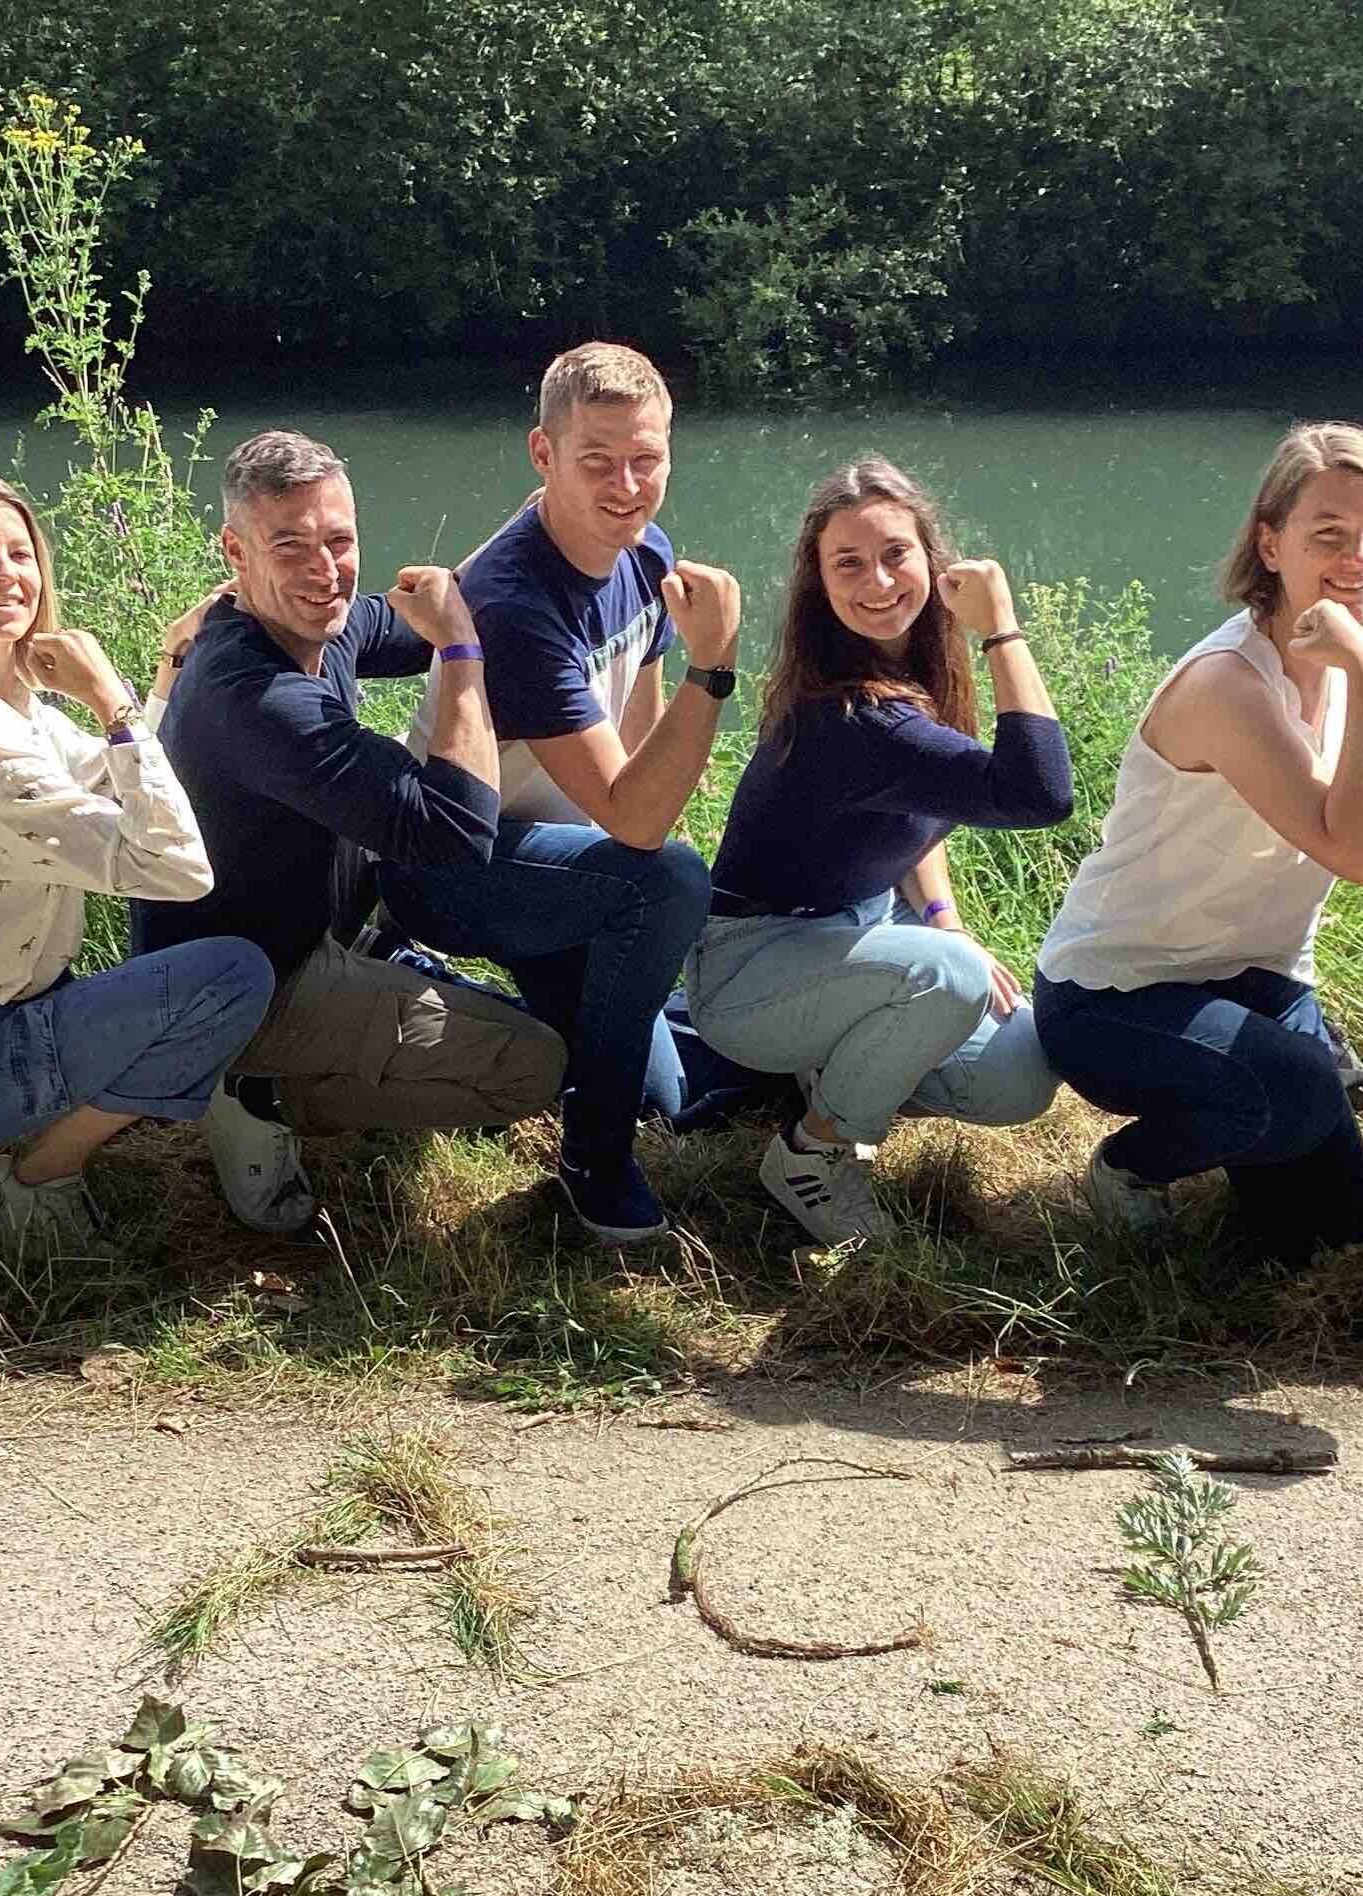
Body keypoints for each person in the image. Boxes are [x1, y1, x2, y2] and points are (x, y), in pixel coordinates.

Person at [135, 430, 565, 1233]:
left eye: (339, 540)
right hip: (254, 984)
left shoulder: (313, 626)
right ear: (235, 549)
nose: (324, 569)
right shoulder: (259, 698)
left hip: (307, 936)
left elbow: (412, 617)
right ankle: (252, 1088)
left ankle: (325, 1023)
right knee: (531, 1068)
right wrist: (463, 653)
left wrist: (539, 521)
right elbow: (455, 831)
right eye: (288, 544)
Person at [0, 464, 274, 1252]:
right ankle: (30, 1178)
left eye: (20, 553)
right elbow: (177, 869)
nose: (6, 575)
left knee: (175, 976)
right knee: (231, 977)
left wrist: (165, 672)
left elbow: (101, 774)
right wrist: (108, 696)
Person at [378, 343, 740, 1245]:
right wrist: (719, 665)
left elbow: (644, 748)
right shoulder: (514, 600)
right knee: (669, 883)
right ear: (543, 456)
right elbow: (637, 815)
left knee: (665, 1091)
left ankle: (460, 999)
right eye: (597, 462)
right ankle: (592, 1156)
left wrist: (629, 849)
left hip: (557, 861)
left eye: (646, 458)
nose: (627, 486)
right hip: (454, 864)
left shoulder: (644, 552)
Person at [1030, 423, 1363, 1267]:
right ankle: (1129, 1168)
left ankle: (1254, 1096)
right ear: (1270, 544)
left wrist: (1359, 672)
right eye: (1329, 535)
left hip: (1254, 982)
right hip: (1116, 995)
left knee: (1332, 1236)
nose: (1359, 558)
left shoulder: (1338, 668)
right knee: (1297, 1091)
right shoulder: (1227, 686)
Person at [682, 458, 1072, 1246]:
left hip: (848, 944)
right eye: (848, 564)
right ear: (819, 585)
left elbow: (913, 818)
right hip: (751, 970)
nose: (879, 581)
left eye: (896, 554)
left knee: (1023, 1072)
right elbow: (1041, 792)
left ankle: (834, 1072)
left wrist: (942, 913)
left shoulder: (911, 677)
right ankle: (814, 1156)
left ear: (931, 558)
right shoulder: (854, 717)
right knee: (947, 975)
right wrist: (1003, 626)